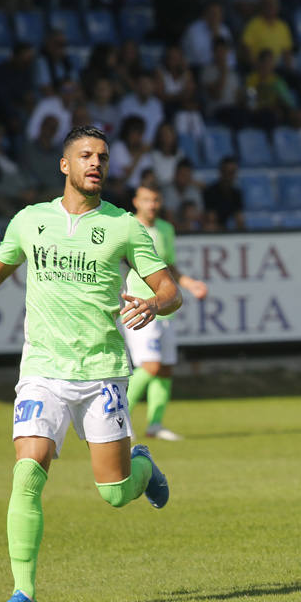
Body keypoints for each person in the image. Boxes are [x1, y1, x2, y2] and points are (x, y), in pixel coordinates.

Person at [0, 125, 181, 602]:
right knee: (28, 473)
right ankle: (24, 594)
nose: (95, 163)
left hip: (102, 372)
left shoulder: (124, 226)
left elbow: (170, 290)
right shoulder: (31, 220)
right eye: (85, 155)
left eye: (101, 156)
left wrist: (154, 304)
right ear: (65, 165)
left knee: (115, 493)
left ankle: (142, 465)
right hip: (42, 369)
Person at [123, 184, 208, 441]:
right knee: (150, 365)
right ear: (136, 201)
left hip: (165, 308)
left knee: (166, 368)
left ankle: (155, 425)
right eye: (147, 200)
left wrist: (189, 283)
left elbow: (168, 266)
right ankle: (116, 419)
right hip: (139, 307)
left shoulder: (166, 229)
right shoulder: (126, 227)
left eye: (156, 200)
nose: (152, 205)